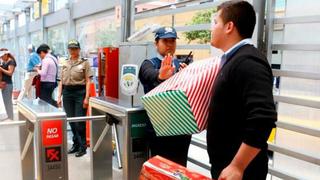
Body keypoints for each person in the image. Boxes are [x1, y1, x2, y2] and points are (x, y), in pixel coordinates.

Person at [207, 1, 277, 180]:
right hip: (226, 167)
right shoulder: (234, 60)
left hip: (241, 172)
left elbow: (263, 118)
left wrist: (237, 166)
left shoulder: (248, 62)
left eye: (215, 22)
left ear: (229, 26)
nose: (212, 28)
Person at [138, 27, 190, 166]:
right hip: (159, 129)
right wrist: (160, 75)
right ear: (156, 43)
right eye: (165, 41)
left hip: (182, 128)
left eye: (172, 41)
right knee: (161, 169)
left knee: (180, 168)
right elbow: (149, 75)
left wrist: (187, 77)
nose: (169, 44)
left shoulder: (181, 65)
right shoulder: (148, 64)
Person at [57, 39, 92, 157]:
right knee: (71, 121)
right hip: (67, 93)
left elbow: (88, 81)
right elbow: (61, 81)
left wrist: (86, 97)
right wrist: (59, 96)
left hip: (79, 93)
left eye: (75, 48)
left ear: (79, 49)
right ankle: (76, 144)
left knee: (79, 122)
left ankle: (83, 147)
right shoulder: (65, 63)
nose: (73, 50)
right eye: (71, 48)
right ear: (68, 49)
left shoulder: (84, 63)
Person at [0, 50, 17, 120]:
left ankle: (11, 117)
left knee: (8, 102)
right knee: (6, 102)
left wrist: (0, 68)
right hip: (4, 84)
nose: (1, 58)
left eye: (2, 56)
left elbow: (10, 73)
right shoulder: (4, 62)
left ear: (6, 55)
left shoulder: (11, 62)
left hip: (8, 84)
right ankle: (9, 116)